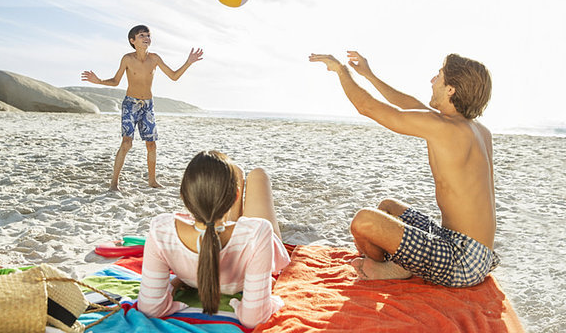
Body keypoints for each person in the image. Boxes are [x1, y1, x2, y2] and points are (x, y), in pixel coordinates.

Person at [309, 51, 499, 288]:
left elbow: (367, 107)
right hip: (474, 253)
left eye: (439, 76)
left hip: (462, 261)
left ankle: (393, 269)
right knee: (388, 207)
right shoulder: (476, 130)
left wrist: (340, 70)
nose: (432, 81)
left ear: (451, 89)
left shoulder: (447, 128)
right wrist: (368, 75)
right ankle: (400, 266)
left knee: (364, 221)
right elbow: (409, 104)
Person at [137, 150, 290, 328]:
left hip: (197, 274)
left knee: (234, 173)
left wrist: (173, 284)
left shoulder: (161, 230)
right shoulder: (258, 231)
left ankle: (231, 179)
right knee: (257, 175)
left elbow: (150, 308)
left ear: (184, 196)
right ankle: (236, 181)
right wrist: (270, 301)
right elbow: (254, 319)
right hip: (246, 250)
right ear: (236, 197)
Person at [81, 25, 203, 191]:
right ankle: (114, 183)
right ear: (132, 41)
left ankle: (152, 181)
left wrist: (188, 62)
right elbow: (116, 81)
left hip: (148, 105)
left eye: (148, 35)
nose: (146, 38)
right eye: (141, 35)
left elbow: (174, 76)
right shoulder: (127, 59)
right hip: (130, 104)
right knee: (126, 143)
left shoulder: (155, 58)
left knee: (151, 145)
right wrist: (99, 81)